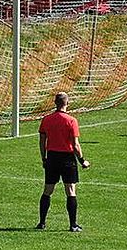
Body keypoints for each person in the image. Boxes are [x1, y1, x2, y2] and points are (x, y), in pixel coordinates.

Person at [37, 92, 90, 232]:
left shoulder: (46, 119)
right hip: (67, 158)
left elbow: (42, 141)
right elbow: (75, 144)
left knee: (47, 190)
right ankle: (73, 225)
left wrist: (44, 158)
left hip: (52, 157)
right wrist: (82, 161)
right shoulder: (71, 121)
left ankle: (41, 223)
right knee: (70, 190)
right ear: (67, 103)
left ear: (55, 103)